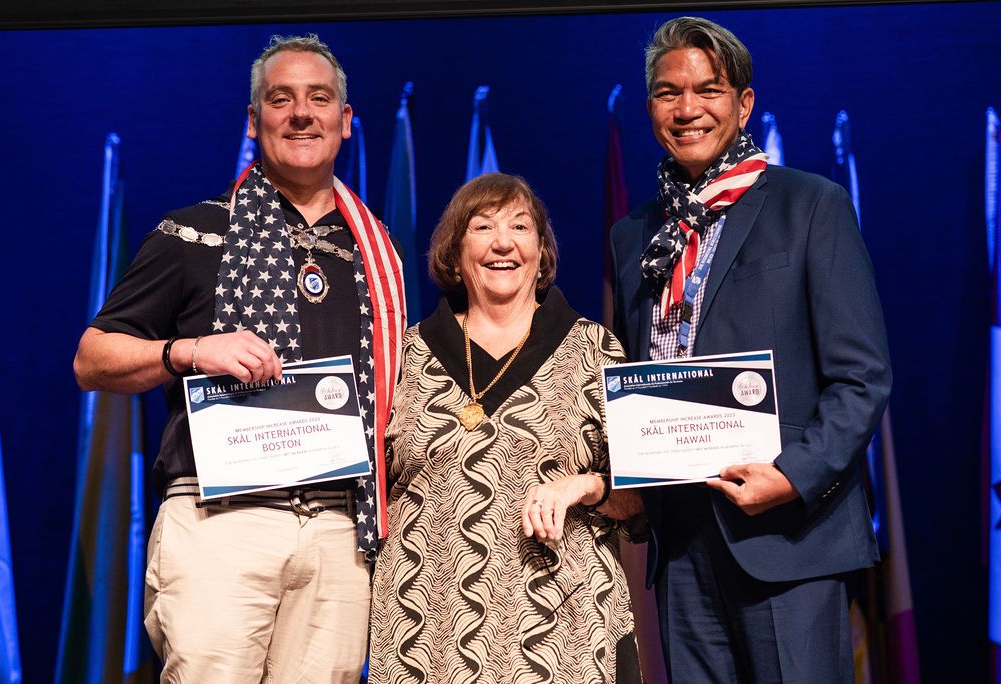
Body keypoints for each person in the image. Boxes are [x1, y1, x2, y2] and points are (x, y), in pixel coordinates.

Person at [73, 34, 404, 682]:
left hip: (338, 530)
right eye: (281, 99)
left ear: (345, 120)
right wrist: (191, 350)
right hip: (221, 520)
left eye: (319, 99)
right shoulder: (193, 232)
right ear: (253, 121)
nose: (301, 113)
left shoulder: (375, 252)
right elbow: (92, 358)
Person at [609, 16, 892, 683]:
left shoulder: (810, 205)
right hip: (681, 541)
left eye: (708, 90)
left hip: (788, 535)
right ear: (650, 108)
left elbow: (862, 377)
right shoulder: (636, 234)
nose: (687, 108)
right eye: (668, 92)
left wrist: (793, 476)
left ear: (743, 104)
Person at [369, 173, 641, 683]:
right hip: (424, 632)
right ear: (455, 255)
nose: (503, 243)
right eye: (482, 227)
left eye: (520, 226)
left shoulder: (593, 349)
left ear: (541, 251)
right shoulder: (405, 354)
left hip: (563, 631)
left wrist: (584, 485)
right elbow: (369, 487)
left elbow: (643, 494)